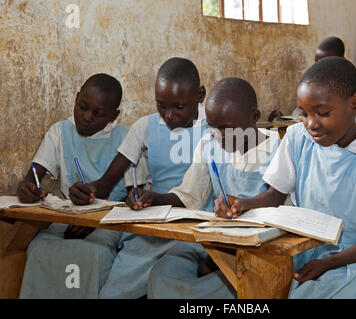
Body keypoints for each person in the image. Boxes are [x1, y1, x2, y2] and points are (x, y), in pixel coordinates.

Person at [217, 57, 356, 298]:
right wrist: (242, 204)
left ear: (355, 104)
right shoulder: (297, 138)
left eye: (322, 113)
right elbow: (274, 195)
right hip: (304, 249)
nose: (311, 124)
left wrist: (330, 263)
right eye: (303, 114)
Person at [71, 58, 210, 298]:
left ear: (199, 95)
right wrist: (87, 193)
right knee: (113, 294)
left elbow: (200, 193)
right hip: (152, 227)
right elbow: (106, 182)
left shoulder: (214, 128)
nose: (168, 115)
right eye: (161, 105)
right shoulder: (146, 126)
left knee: (171, 285)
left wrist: (153, 198)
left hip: (198, 229)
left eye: (179, 107)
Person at [141, 77, 281, 298]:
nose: (218, 135)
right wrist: (152, 197)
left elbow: (280, 213)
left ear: (254, 117)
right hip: (213, 240)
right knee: (163, 272)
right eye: (212, 126)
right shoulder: (209, 144)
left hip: (257, 249)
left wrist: (227, 252)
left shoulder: (277, 150)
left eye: (226, 128)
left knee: (240, 284)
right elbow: (189, 195)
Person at [17, 73, 142, 298]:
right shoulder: (60, 132)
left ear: (114, 116)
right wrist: (27, 187)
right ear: (75, 99)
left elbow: (134, 197)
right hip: (66, 220)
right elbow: (32, 177)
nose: (86, 117)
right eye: (82, 107)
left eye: (98, 113)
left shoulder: (127, 138)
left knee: (93, 253)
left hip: (108, 225)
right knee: (39, 247)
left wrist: (96, 219)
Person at [291, 36, 356, 116]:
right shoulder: (313, 86)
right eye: (317, 62)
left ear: (341, 59)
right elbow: (299, 112)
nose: (320, 67)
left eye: (326, 62)